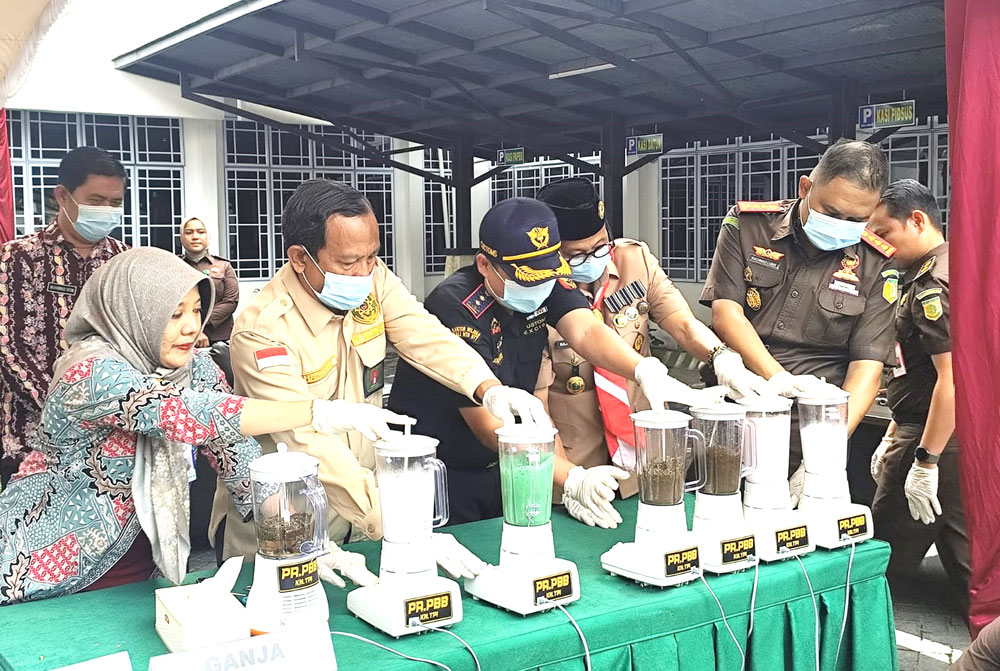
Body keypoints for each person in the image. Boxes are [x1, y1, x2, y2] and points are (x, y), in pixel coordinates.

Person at [0, 248, 386, 604]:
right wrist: (317, 412)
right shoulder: (90, 372)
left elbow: (239, 457)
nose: (191, 327)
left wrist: (306, 542)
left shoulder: (193, 368)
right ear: (134, 311)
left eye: (198, 310)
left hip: (141, 570)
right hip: (42, 572)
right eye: (174, 314)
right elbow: (188, 414)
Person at [211, 180, 541, 576]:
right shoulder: (263, 331)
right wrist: (401, 524)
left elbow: (424, 334)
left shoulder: (372, 279)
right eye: (349, 262)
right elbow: (306, 439)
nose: (364, 272)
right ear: (300, 258)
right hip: (289, 528)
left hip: (365, 518)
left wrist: (487, 388)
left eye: (372, 256)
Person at [389, 197, 729, 527]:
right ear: (484, 265)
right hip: (440, 470)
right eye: (526, 280)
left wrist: (642, 370)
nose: (540, 287)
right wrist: (572, 479)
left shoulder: (545, 279)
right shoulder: (456, 306)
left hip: (508, 465)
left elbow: (586, 331)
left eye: (547, 276)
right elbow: (489, 425)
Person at [535, 178, 769, 499]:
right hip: (578, 460)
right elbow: (539, 406)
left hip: (647, 449)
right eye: (576, 256)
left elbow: (683, 323)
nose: (593, 259)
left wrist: (720, 356)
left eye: (601, 246)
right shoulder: (538, 292)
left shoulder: (635, 260)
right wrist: (567, 480)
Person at [700, 139, 898, 501]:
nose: (841, 225)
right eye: (832, 212)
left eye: (857, 220)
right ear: (805, 187)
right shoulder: (748, 225)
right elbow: (726, 312)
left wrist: (823, 454)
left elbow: (867, 369)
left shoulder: (876, 263)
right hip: (733, 407)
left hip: (813, 428)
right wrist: (778, 378)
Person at [0, 147, 129, 486]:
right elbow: (9, 348)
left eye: (115, 203)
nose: (106, 210)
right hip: (34, 436)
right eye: (96, 200)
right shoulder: (19, 257)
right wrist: (70, 408)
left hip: (111, 439)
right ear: (62, 196)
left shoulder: (124, 260)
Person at [867, 179, 967, 612]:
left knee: (880, 555)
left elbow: (953, 378)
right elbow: (916, 368)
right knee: (966, 551)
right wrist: (892, 428)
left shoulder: (933, 284)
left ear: (918, 220)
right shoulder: (941, 269)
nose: (879, 244)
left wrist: (924, 460)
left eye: (884, 232)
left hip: (932, 434)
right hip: (936, 429)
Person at [179, 216, 240, 345]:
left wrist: (199, 324)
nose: (195, 237)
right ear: (181, 237)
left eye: (201, 232)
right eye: (189, 232)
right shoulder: (175, 266)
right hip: (183, 336)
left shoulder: (224, 266)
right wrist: (193, 329)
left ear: (208, 236)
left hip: (220, 337)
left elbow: (231, 301)